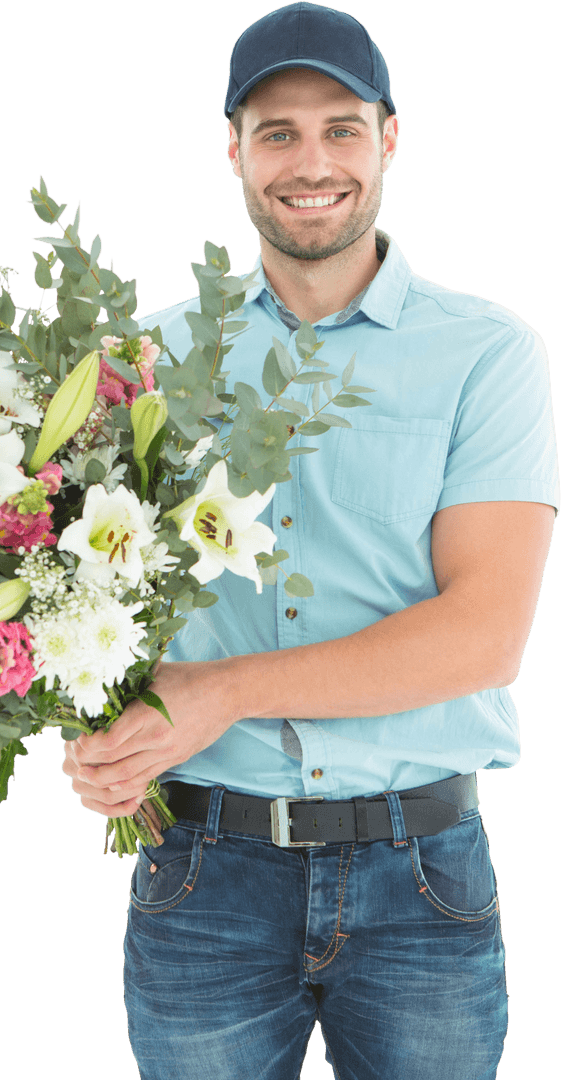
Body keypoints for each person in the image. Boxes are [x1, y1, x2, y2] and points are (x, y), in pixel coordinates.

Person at [60, 3, 560, 1078]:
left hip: (421, 877)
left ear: (388, 138)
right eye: (276, 130)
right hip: (197, 872)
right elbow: (83, 605)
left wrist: (222, 690)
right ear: (232, 148)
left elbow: (483, 636)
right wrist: (93, 729)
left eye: (339, 126)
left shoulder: (488, 355)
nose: (310, 160)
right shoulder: (141, 361)